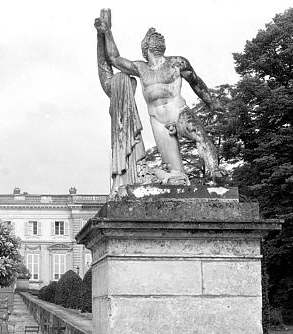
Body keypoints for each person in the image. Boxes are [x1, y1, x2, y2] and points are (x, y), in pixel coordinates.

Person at [95, 13, 222, 184]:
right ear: (146, 48)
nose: (158, 41)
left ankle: (215, 172)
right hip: (158, 121)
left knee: (200, 136)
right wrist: (107, 32)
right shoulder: (140, 68)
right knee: (175, 171)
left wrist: (211, 102)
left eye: (159, 40)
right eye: (154, 40)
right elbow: (113, 59)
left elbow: (196, 82)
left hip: (178, 112)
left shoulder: (177, 62)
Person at [96, 9, 146, 196]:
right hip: (129, 141)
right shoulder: (121, 93)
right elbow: (105, 65)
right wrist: (103, 34)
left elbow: (103, 67)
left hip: (122, 140)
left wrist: (103, 35)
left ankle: (124, 185)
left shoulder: (115, 93)